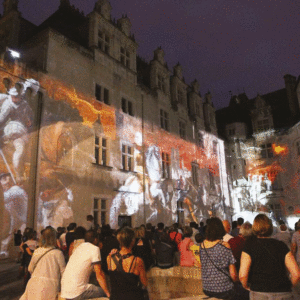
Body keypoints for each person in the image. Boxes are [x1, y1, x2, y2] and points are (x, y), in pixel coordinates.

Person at [240, 214, 300, 299]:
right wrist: (288, 286)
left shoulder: (249, 247)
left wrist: (246, 287)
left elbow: (242, 275)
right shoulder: (281, 246)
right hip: (283, 292)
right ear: (270, 227)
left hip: (259, 292)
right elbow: (296, 274)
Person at [61, 230, 110, 299]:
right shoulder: (94, 249)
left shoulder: (79, 247)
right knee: (103, 291)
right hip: (77, 293)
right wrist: (108, 294)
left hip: (65, 291)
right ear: (96, 239)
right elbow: (99, 274)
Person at [20, 227, 65, 300]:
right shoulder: (58, 253)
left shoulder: (37, 251)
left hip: (34, 285)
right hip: (51, 287)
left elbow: (30, 268)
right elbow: (63, 273)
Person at [199, 217, 238, 299]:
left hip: (207, 288)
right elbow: (233, 275)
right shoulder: (224, 246)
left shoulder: (202, 245)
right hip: (224, 289)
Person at [107, 227, 148, 300]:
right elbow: (144, 283)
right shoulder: (137, 261)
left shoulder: (109, 258)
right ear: (132, 241)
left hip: (115, 297)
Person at [0, 172, 28, 257]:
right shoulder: (9, 192)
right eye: (4, 179)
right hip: (18, 221)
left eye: (8, 178)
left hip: (25, 221)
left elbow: (3, 198)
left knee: (24, 239)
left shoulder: (15, 190)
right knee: (11, 237)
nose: (7, 181)